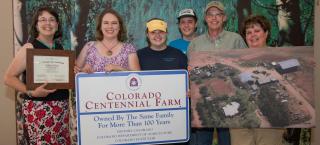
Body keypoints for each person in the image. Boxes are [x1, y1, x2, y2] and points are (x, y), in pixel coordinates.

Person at [4, 7, 70, 144]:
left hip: (61, 108)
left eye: (52, 20)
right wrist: (31, 92)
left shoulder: (60, 48)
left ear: (57, 25)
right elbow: (8, 77)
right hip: (39, 109)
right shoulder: (30, 47)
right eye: (43, 20)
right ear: (36, 24)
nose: (48, 23)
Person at [188, 1, 247, 145]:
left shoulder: (236, 39)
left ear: (224, 17)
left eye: (218, 14)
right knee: (202, 141)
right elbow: (190, 70)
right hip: (204, 101)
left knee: (227, 141)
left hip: (230, 101)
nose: (214, 18)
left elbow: (245, 66)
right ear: (205, 18)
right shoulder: (196, 43)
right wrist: (190, 88)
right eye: (210, 15)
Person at [229, 15, 285, 145]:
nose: (252, 35)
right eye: (249, 32)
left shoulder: (280, 56)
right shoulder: (235, 59)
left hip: (271, 122)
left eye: (257, 31)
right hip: (241, 123)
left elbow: (291, 79)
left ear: (266, 33)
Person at [137, 18, 188, 145]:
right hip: (148, 120)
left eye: (161, 32)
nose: (157, 35)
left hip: (174, 119)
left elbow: (188, 81)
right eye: (153, 32)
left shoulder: (179, 55)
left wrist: (189, 90)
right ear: (147, 35)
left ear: (166, 33)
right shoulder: (139, 56)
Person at [75, 9, 140, 73]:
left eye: (114, 23)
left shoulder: (129, 49)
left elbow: (137, 77)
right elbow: (75, 72)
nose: (110, 26)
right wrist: (84, 72)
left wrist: (119, 68)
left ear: (119, 27)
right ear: (100, 26)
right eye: (106, 23)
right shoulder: (89, 46)